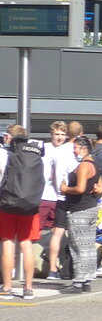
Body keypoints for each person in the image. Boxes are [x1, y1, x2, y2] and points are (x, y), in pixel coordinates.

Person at [0, 125, 46, 300]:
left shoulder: (5, 155)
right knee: (26, 244)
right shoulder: (35, 156)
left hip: (7, 204)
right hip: (30, 205)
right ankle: (28, 288)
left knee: (8, 242)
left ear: (9, 138)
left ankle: (7, 287)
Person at [58, 135, 102, 293]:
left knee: (78, 246)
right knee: (88, 246)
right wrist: (97, 190)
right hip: (91, 208)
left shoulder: (84, 166)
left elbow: (80, 188)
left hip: (80, 210)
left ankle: (78, 282)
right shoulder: (95, 166)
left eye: (76, 148)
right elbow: (101, 187)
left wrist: (64, 189)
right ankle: (86, 281)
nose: (74, 151)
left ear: (83, 149)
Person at [42, 120, 75, 280]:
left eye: (63, 134)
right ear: (51, 134)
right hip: (43, 196)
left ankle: (53, 266)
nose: (60, 137)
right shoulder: (44, 148)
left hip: (60, 197)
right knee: (33, 233)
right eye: (57, 134)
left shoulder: (68, 150)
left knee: (58, 232)